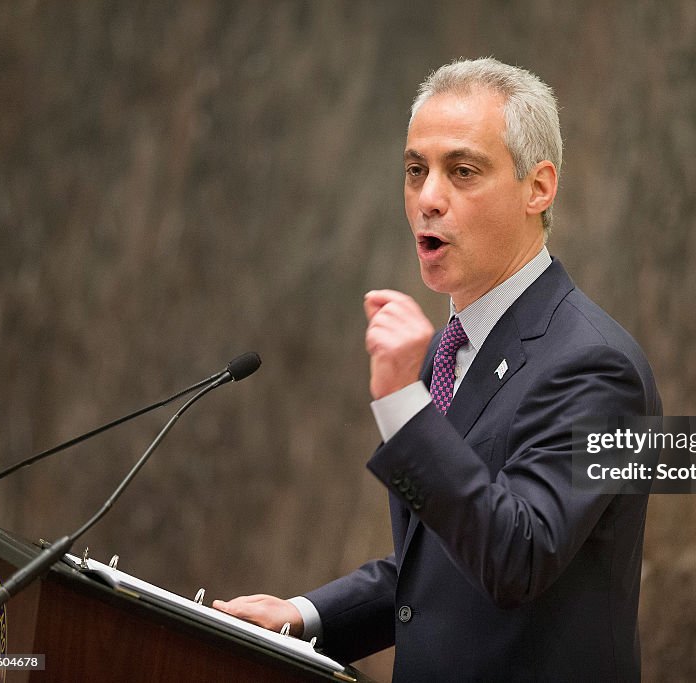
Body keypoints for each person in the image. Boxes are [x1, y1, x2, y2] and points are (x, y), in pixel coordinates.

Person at [214, 57, 661, 681]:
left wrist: (402, 403)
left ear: (539, 187)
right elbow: (438, 567)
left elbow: (517, 557)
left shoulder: (594, 367)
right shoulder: (448, 352)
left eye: (463, 171)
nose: (428, 198)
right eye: (415, 170)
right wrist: (305, 615)